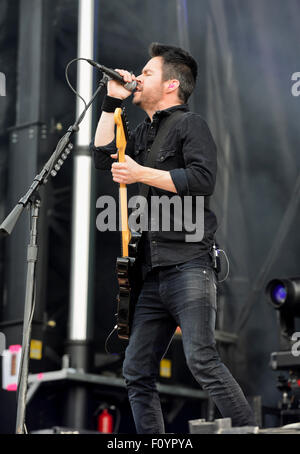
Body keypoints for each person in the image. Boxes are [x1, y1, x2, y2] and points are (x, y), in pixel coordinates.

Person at [90, 43, 255, 434]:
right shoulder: (144, 131)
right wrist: (111, 104)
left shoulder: (189, 124)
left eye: (147, 72)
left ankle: (250, 430)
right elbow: (102, 156)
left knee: (201, 358)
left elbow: (202, 180)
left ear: (171, 84)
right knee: (135, 369)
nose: (138, 76)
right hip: (151, 272)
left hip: (189, 264)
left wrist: (141, 175)